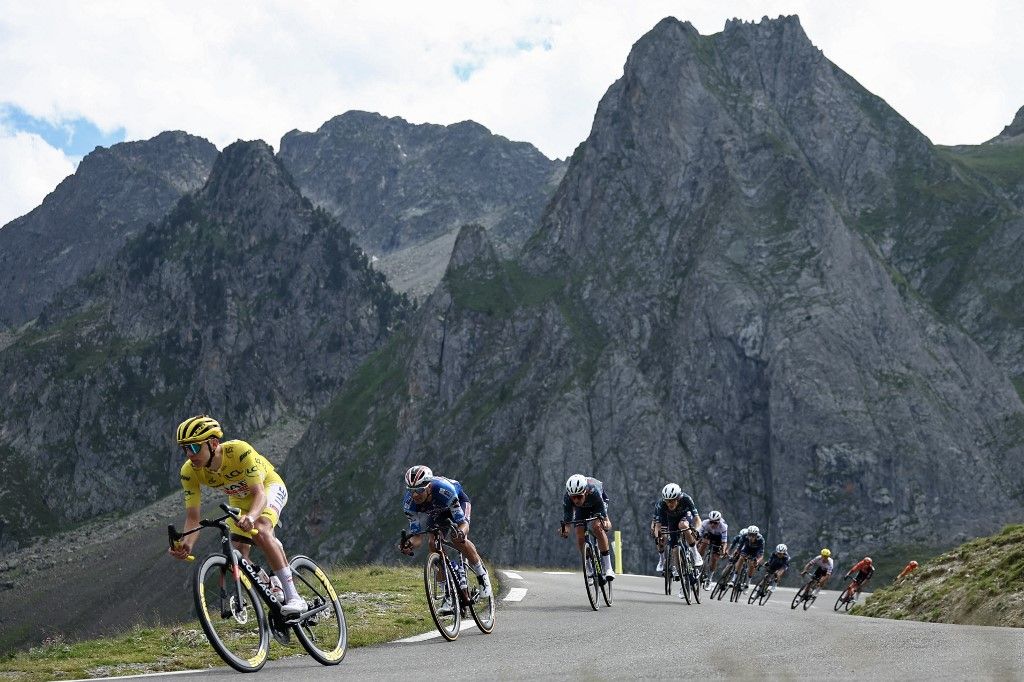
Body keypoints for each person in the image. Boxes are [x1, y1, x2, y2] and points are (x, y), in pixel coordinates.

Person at [168, 415, 307, 616]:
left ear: (213, 443)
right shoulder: (189, 472)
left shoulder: (239, 451)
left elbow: (259, 494)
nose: (189, 454)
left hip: (267, 487)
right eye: (185, 449)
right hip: (239, 500)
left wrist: (250, 518)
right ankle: (269, 582)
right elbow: (193, 516)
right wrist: (187, 543)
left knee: (261, 528)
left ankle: (295, 597)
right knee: (237, 554)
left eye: (195, 447)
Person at [398, 465, 492, 600]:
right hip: (437, 512)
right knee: (432, 543)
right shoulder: (409, 504)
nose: (415, 495)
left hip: (457, 501)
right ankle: (447, 595)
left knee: (457, 538)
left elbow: (463, 524)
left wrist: (461, 533)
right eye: (411, 490)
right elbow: (417, 537)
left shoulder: (444, 490)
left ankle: (481, 574)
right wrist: (409, 544)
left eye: (419, 490)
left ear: (429, 487)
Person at [560, 474, 615, 581]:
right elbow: (567, 518)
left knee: (597, 527)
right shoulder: (568, 497)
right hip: (582, 509)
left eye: (579, 496)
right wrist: (565, 529)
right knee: (579, 535)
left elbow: (601, 512)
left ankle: (609, 568)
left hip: (597, 503)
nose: (576, 500)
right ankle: (589, 568)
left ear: (585, 491)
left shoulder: (593, 491)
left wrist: (605, 522)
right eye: (573, 497)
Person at [650, 484, 704, 579]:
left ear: (678, 498)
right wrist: (658, 537)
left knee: (683, 525)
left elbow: (697, 519)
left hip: (684, 516)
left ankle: (695, 554)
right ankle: (671, 564)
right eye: (667, 501)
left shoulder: (686, 499)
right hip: (670, 520)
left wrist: (697, 530)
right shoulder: (661, 504)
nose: (669, 504)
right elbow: (658, 525)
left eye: (672, 501)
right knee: (673, 546)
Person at [695, 510, 728, 578]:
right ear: (709, 520)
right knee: (704, 541)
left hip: (718, 538)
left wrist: (723, 551)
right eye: (711, 522)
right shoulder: (705, 523)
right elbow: (698, 536)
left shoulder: (723, 527)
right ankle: (698, 559)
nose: (712, 524)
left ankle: (710, 577)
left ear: (719, 522)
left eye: (715, 523)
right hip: (708, 535)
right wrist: (695, 545)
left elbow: (724, 542)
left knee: (715, 558)